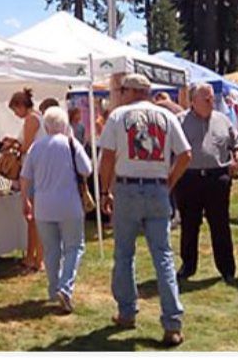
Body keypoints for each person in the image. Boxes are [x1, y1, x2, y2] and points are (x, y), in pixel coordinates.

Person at [99, 73, 192, 347]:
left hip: (127, 188)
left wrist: (105, 191)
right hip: (156, 190)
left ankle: (127, 312)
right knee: (163, 256)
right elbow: (185, 155)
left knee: (124, 254)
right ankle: (172, 323)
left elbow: (107, 157)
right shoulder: (167, 116)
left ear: (129, 91)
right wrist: (169, 181)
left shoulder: (118, 116)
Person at [20, 107, 92, 314]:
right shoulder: (71, 143)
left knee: (51, 250)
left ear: (45, 126)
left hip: (43, 205)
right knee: (74, 247)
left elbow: (25, 177)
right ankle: (65, 287)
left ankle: (54, 290)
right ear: (64, 125)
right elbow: (86, 169)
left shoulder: (36, 147)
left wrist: (24, 199)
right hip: (69, 204)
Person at [175, 83, 238, 284]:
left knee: (220, 224)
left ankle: (227, 269)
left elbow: (237, 142)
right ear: (192, 101)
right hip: (189, 179)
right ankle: (188, 266)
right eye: (205, 98)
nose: (210, 101)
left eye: (212, 98)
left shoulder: (223, 120)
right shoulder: (180, 122)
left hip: (217, 178)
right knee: (189, 224)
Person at [8, 88, 45, 273]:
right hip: (37, 170)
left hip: (34, 171)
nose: (16, 114)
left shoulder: (31, 119)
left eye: (16, 110)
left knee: (33, 217)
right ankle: (35, 257)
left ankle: (35, 259)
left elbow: (26, 147)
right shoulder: (38, 117)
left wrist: (12, 146)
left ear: (21, 106)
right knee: (35, 218)